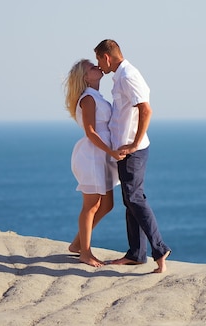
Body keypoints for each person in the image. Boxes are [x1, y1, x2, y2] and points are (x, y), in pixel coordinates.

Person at [94, 39, 171, 274]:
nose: (99, 66)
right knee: (130, 200)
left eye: (99, 60)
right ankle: (136, 254)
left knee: (135, 198)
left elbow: (146, 109)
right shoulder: (119, 76)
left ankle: (159, 249)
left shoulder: (128, 75)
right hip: (123, 150)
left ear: (107, 57)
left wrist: (135, 144)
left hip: (132, 151)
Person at [64, 59, 123, 267]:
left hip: (103, 156)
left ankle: (76, 244)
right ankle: (85, 252)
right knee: (91, 206)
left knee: (107, 204)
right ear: (85, 77)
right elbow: (90, 132)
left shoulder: (96, 96)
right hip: (92, 156)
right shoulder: (88, 98)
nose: (97, 67)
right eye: (92, 67)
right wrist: (112, 152)